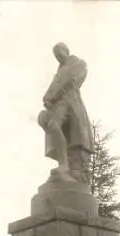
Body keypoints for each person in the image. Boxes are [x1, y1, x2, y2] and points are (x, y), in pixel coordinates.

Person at [38, 43, 93, 182]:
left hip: (70, 101)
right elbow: (53, 87)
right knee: (44, 119)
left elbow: (74, 80)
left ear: (66, 51)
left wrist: (55, 94)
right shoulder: (60, 71)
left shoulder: (78, 63)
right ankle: (63, 161)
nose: (58, 56)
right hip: (59, 103)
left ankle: (64, 164)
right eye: (55, 55)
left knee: (54, 125)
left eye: (59, 53)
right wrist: (47, 98)